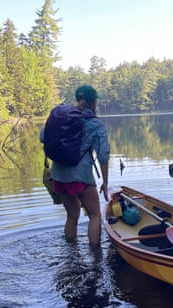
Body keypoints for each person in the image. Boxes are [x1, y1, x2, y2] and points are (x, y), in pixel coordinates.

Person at [47, 85, 110, 247]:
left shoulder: (62, 117)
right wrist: (105, 183)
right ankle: (96, 257)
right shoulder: (94, 123)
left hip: (59, 175)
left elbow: (43, 137)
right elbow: (103, 155)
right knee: (95, 215)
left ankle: (71, 252)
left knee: (72, 215)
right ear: (94, 102)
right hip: (80, 177)